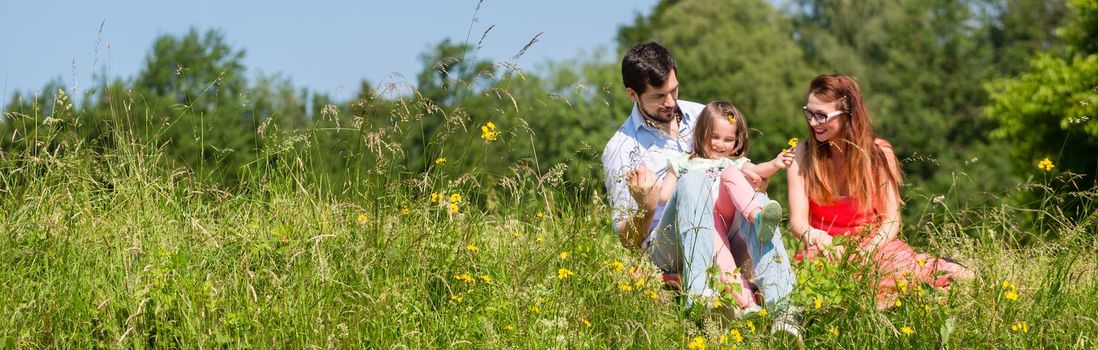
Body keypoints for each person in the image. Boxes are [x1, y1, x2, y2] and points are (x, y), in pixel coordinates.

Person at [602, 42, 800, 338]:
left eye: (674, 90)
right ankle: (699, 297)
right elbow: (627, 242)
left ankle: (784, 312)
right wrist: (647, 205)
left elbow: (735, 165)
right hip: (669, 246)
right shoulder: (622, 149)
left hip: (723, 226)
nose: (670, 102)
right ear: (633, 95)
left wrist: (758, 182)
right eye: (658, 96)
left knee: (757, 199)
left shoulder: (701, 115)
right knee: (691, 181)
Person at [786, 74, 975, 310]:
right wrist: (818, 239)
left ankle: (928, 275)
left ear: (848, 115)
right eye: (809, 113)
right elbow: (797, 222)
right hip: (824, 250)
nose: (813, 123)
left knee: (904, 274)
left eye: (822, 115)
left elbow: (890, 220)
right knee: (821, 289)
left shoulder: (878, 153)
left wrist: (870, 249)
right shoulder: (801, 155)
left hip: (873, 246)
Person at [652, 101, 795, 311]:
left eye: (729, 140)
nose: (721, 144)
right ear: (701, 133)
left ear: (737, 141)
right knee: (725, 262)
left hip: (726, 217)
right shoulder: (683, 162)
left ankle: (758, 217)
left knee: (732, 175)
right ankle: (749, 305)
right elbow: (664, 196)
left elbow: (758, 170)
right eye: (715, 137)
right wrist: (647, 190)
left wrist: (775, 164)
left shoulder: (733, 162)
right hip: (703, 224)